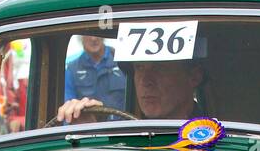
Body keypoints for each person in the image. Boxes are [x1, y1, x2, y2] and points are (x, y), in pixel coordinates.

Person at [55, 58, 204, 124]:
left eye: (160, 67)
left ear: (194, 77)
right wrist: (91, 133)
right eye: (139, 67)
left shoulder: (218, 136)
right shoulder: (125, 133)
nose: (146, 81)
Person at [64, 35, 127, 109]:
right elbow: (68, 105)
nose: (94, 39)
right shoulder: (72, 69)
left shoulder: (123, 61)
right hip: (90, 120)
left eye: (97, 34)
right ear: (81, 38)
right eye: (88, 34)